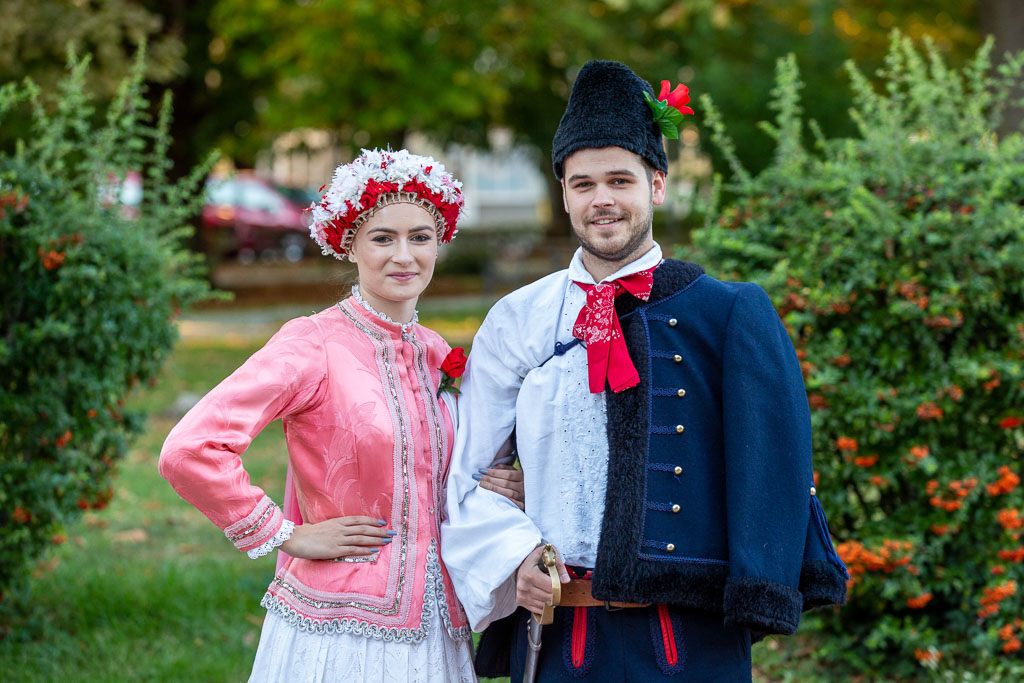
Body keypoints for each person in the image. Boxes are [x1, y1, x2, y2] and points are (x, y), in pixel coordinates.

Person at [441, 61, 849, 682]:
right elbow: (467, 474)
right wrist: (513, 554)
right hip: (560, 635)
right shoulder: (517, 320)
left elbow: (770, 459)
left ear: (656, 186)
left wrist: (759, 587)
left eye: (619, 180)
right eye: (583, 184)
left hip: (687, 639)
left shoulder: (727, 313)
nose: (601, 199)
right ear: (564, 195)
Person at [159, 148, 523, 682]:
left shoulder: (436, 353)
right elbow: (190, 449)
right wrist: (285, 534)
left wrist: (501, 484)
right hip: (337, 629)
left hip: (438, 625)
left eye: (420, 237)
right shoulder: (312, 344)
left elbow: (450, 471)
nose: (404, 255)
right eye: (383, 238)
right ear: (350, 243)